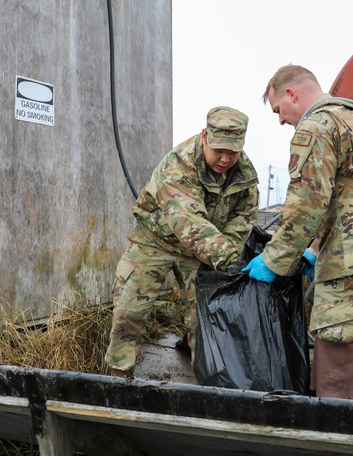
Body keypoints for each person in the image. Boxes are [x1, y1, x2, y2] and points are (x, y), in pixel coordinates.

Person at [243, 65, 353, 401]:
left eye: (279, 110)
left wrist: (274, 260)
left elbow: (307, 204)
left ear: (292, 93)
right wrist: (315, 249)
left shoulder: (317, 126)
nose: (281, 120)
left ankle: (345, 445)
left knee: (344, 359)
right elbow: (352, 193)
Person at [105, 106, 259, 377]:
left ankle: (206, 374)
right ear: (204, 137)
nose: (224, 159)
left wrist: (230, 251)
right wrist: (230, 260)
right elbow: (190, 223)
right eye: (218, 150)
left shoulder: (244, 175)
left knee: (206, 315)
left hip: (203, 252)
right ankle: (119, 375)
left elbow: (243, 217)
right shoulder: (179, 165)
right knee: (130, 309)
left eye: (232, 152)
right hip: (156, 241)